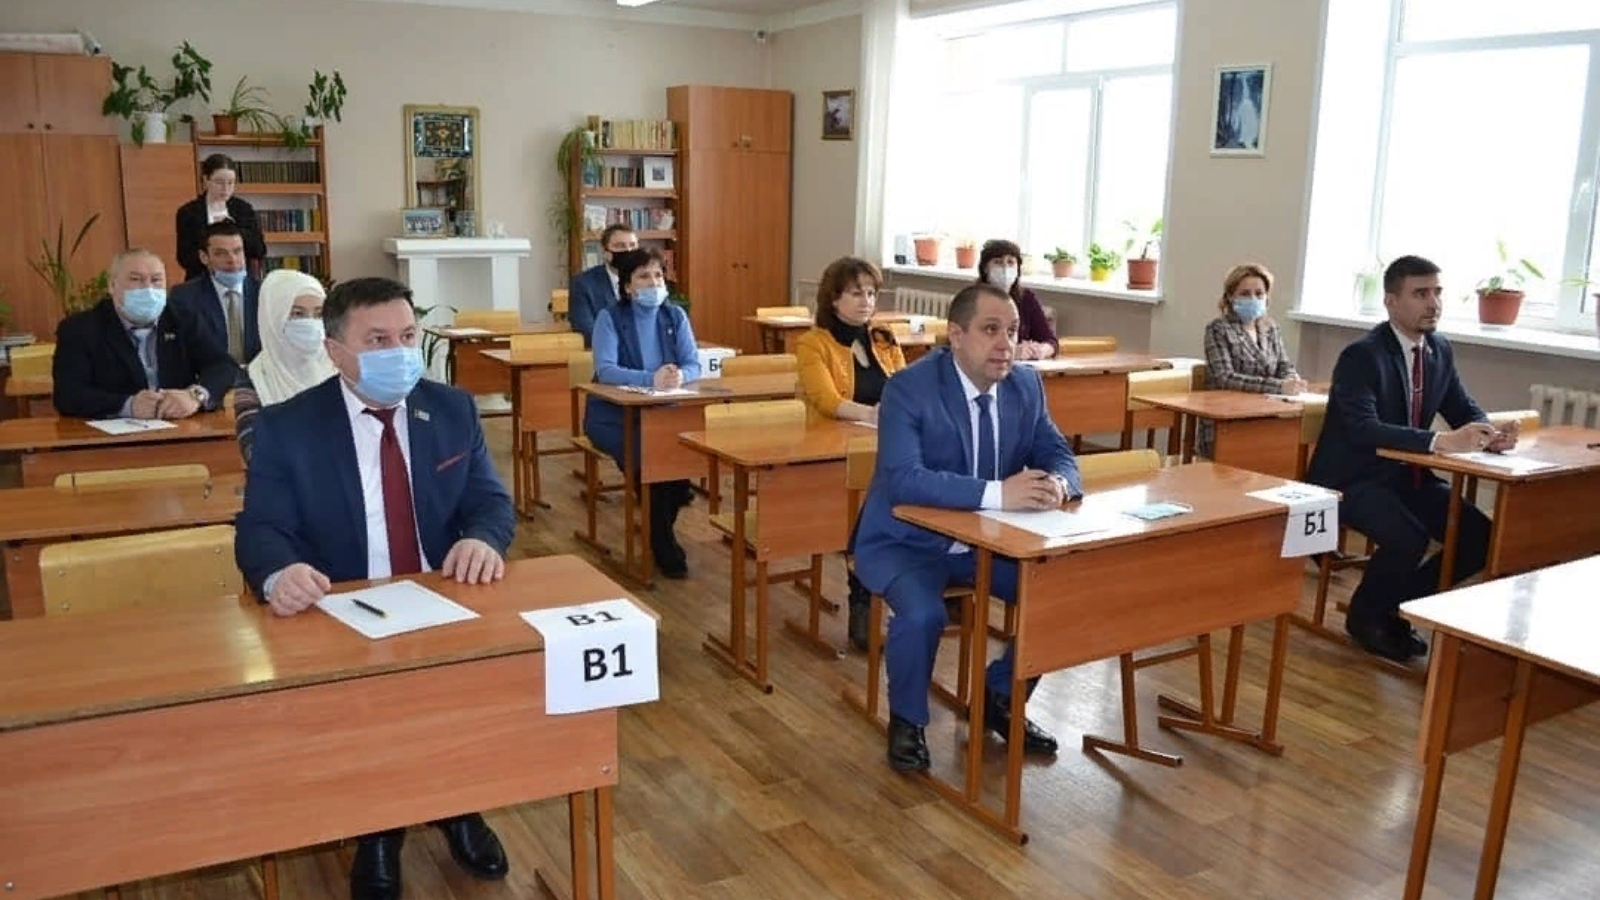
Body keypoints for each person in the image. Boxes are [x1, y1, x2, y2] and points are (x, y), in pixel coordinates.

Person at [235, 276, 514, 900]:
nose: (400, 352)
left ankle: (458, 807)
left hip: (442, 595)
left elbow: (490, 502)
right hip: (343, 608)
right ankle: (378, 832)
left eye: (408, 336)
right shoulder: (288, 427)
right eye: (379, 340)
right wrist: (281, 574)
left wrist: (483, 540)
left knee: (462, 706)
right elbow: (261, 529)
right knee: (372, 718)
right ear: (335, 351)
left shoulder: (452, 409)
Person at [853, 282, 1082, 772]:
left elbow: (1059, 453)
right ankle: (907, 721)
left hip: (989, 543)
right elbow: (904, 479)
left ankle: (999, 698)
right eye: (990, 330)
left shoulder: (1025, 386)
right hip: (907, 542)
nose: (1005, 344)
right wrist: (1000, 494)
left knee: (1064, 595)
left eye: (1013, 331)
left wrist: (1059, 483)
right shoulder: (909, 388)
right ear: (956, 335)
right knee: (923, 616)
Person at [1305, 255, 1512, 663]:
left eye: (1437, 292)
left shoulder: (1438, 349)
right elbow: (1363, 429)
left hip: (1406, 475)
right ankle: (1367, 617)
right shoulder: (1362, 356)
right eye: (1420, 294)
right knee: (1408, 537)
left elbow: (1462, 406)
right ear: (1391, 301)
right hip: (1353, 478)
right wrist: (1440, 441)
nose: (1433, 303)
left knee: (1479, 536)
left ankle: (1395, 607)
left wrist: (1490, 434)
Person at [794, 256, 907, 650]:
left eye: (872, 293)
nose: (866, 301)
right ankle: (862, 601)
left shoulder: (883, 338)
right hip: (831, 449)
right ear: (833, 297)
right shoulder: (814, 343)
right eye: (857, 293)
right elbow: (827, 400)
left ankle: (902, 592)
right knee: (868, 514)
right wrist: (873, 414)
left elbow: (903, 386)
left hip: (881, 445)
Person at [584, 248, 701, 579]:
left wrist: (680, 376)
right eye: (644, 276)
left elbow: (693, 364)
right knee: (654, 467)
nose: (653, 283)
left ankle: (658, 528)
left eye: (658, 275)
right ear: (627, 286)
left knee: (677, 474)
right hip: (616, 417)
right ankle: (661, 540)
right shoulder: (610, 318)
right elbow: (606, 370)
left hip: (666, 414)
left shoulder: (675, 316)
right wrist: (651, 379)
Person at [51, 248, 237, 420]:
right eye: (136, 279)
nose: (148, 288)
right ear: (112, 285)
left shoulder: (183, 318)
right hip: (113, 435)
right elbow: (68, 394)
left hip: (181, 427)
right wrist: (128, 405)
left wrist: (195, 396)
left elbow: (223, 366)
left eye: (156, 280)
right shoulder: (80, 329)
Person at [1199, 263, 1308, 455]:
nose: (1253, 299)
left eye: (1259, 293)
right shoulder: (1218, 329)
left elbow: (1284, 365)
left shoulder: (1270, 328)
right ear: (1230, 296)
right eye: (1245, 293)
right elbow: (1225, 377)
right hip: (1227, 418)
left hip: (1267, 412)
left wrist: (1292, 379)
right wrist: (1279, 386)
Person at [232, 269, 338, 464]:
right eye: (298, 314)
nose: (310, 323)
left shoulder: (341, 367)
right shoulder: (253, 378)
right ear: (273, 318)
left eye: (318, 314)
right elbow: (255, 451)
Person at [169, 221, 263, 363]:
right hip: (209, 375)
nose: (232, 260)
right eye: (221, 254)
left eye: (237, 251)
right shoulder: (184, 297)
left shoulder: (264, 293)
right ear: (204, 257)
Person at [176, 153, 267, 282]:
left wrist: (231, 228)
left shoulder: (243, 209)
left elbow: (259, 249)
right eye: (219, 182)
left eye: (230, 183)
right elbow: (184, 257)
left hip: (238, 278)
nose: (225, 189)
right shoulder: (188, 212)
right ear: (206, 180)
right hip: (201, 280)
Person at [977, 239, 1057, 360]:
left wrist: (1041, 350)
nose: (1005, 267)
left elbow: (1049, 340)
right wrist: (1012, 352)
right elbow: (970, 345)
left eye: (1010, 262)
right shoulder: (973, 299)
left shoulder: (1027, 299)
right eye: (998, 262)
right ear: (985, 268)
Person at [569, 224, 638, 346]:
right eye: (620, 246)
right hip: (608, 351)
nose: (628, 251)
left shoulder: (650, 280)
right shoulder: (584, 284)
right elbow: (587, 330)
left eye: (632, 245)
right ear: (604, 251)